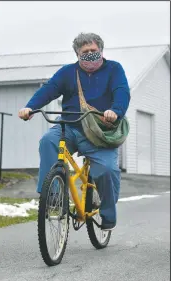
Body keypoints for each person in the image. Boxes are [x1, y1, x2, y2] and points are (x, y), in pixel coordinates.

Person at [18, 32, 130, 231]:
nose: (89, 55)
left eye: (93, 51)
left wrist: (116, 111)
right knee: (48, 141)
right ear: (77, 54)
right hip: (70, 125)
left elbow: (122, 91)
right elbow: (49, 89)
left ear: (101, 50)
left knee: (106, 170)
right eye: (84, 52)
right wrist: (30, 107)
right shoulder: (68, 72)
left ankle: (108, 214)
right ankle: (53, 197)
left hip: (99, 131)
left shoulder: (114, 69)